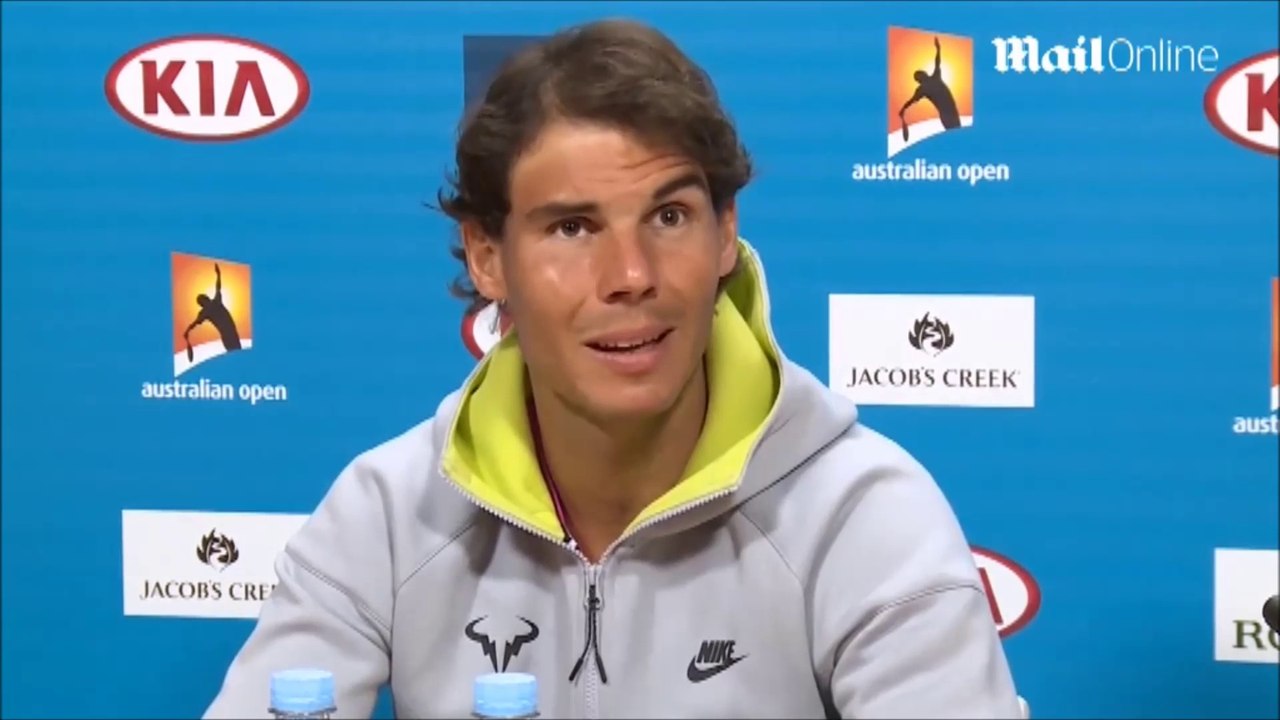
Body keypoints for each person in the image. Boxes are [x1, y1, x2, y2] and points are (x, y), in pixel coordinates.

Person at [204, 18, 1022, 719]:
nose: (631, 274)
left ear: (726, 230)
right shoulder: (388, 515)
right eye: (571, 229)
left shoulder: (865, 518)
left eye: (670, 215)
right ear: (488, 256)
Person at [899, 36, 962, 142]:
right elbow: (912, 100)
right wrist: (904, 108)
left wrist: (938, 49)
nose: (923, 73)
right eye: (920, 74)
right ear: (920, 78)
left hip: (951, 110)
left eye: (921, 72)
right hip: (947, 113)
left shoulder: (933, 78)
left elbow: (937, 62)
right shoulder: (924, 88)